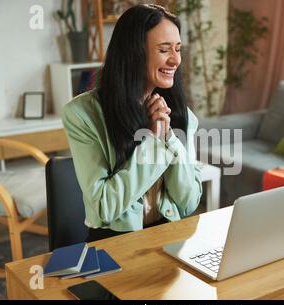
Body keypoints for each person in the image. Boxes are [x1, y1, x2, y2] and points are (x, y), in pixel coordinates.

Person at [62, 4, 203, 242]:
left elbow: (188, 202)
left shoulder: (182, 115)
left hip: (169, 239)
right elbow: (104, 208)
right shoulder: (82, 114)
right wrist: (154, 141)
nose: (176, 60)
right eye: (164, 49)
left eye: (178, 49)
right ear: (134, 52)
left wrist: (168, 137)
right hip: (114, 243)